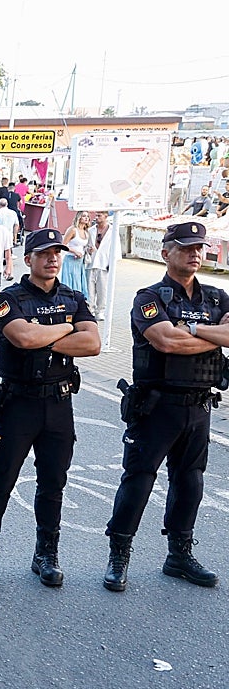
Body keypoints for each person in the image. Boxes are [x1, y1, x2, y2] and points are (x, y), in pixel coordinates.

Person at [0, 229, 101, 589]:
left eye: (57, 252)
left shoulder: (73, 296)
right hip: (19, 403)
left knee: (53, 482)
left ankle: (46, 554)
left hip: (59, 403)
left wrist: (45, 334)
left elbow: (92, 344)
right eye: (44, 253)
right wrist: (67, 328)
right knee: (2, 480)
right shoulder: (10, 298)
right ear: (28, 259)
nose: (52, 259)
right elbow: (23, 337)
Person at [103, 221, 229, 592]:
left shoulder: (217, 298)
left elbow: (182, 337)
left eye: (199, 247)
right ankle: (119, 555)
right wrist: (213, 334)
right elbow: (166, 342)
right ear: (165, 253)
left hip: (199, 405)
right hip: (156, 406)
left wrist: (190, 330)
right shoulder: (149, 298)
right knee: (139, 481)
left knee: (190, 483)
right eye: (186, 247)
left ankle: (179, 555)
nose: (195, 253)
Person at [86, 211, 113, 321]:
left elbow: (115, 249)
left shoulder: (112, 231)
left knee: (102, 290)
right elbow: (86, 245)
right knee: (90, 289)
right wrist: (88, 250)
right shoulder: (91, 230)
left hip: (104, 264)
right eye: (96, 215)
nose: (96, 218)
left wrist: (111, 264)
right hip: (91, 263)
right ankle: (90, 310)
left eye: (99, 215)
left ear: (106, 216)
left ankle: (100, 311)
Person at [60, 212, 90, 297]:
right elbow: (63, 245)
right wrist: (74, 252)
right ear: (79, 217)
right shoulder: (73, 230)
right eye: (84, 216)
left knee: (79, 282)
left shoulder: (86, 232)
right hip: (70, 260)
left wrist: (88, 250)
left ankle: (78, 299)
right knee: (70, 282)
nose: (86, 218)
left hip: (80, 261)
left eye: (87, 216)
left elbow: (82, 246)